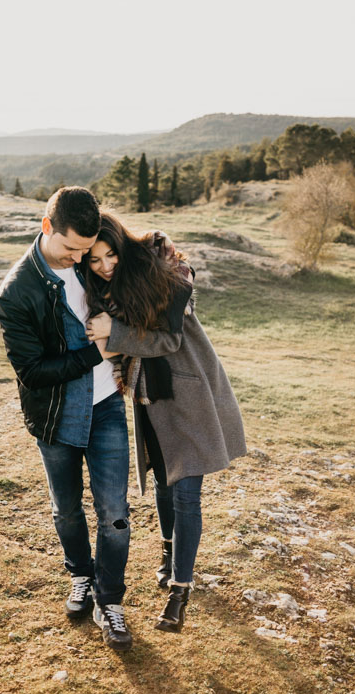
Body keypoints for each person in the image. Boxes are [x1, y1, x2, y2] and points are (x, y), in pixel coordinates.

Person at [84, 212, 246, 632]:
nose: (104, 266)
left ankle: (180, 589)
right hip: (149, 398)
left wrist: (114, 331)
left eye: (110, 255)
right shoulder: (102, 293)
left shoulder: (162, 268)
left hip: (188, 394)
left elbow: (170, 340)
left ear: (122, 245)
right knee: (162, 482)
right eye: (94, 260)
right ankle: (168, 551)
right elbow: (117, 348)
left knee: (187, 494)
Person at [0, 187, 133, 651]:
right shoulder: (17, 292)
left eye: (86, 249)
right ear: (46, 226)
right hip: (54, 414)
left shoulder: (92, 264)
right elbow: (32, 373)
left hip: (108, 405)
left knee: (114, 513)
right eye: (71, 248)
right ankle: (80, 575)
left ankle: (109, 601)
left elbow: (149, 279)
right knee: (67, 510)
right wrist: (96, 352)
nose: (80, 258)